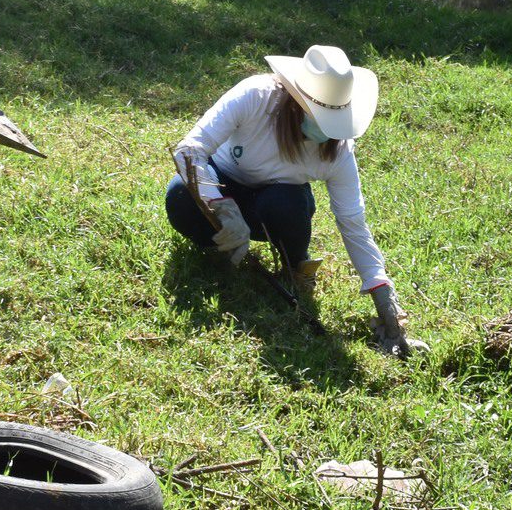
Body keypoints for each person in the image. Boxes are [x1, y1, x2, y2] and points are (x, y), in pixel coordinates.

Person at [166, 46, 421, 356]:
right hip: (225, 184)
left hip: (276, 202)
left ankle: (294, 265)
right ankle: (220, 246)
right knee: (180, 196)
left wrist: (381, 291)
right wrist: (219, 204)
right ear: (296, 102)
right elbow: (189, 151)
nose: (326, 130)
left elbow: (353, 222)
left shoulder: (338, 150)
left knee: (287, 202)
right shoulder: (255, 97)